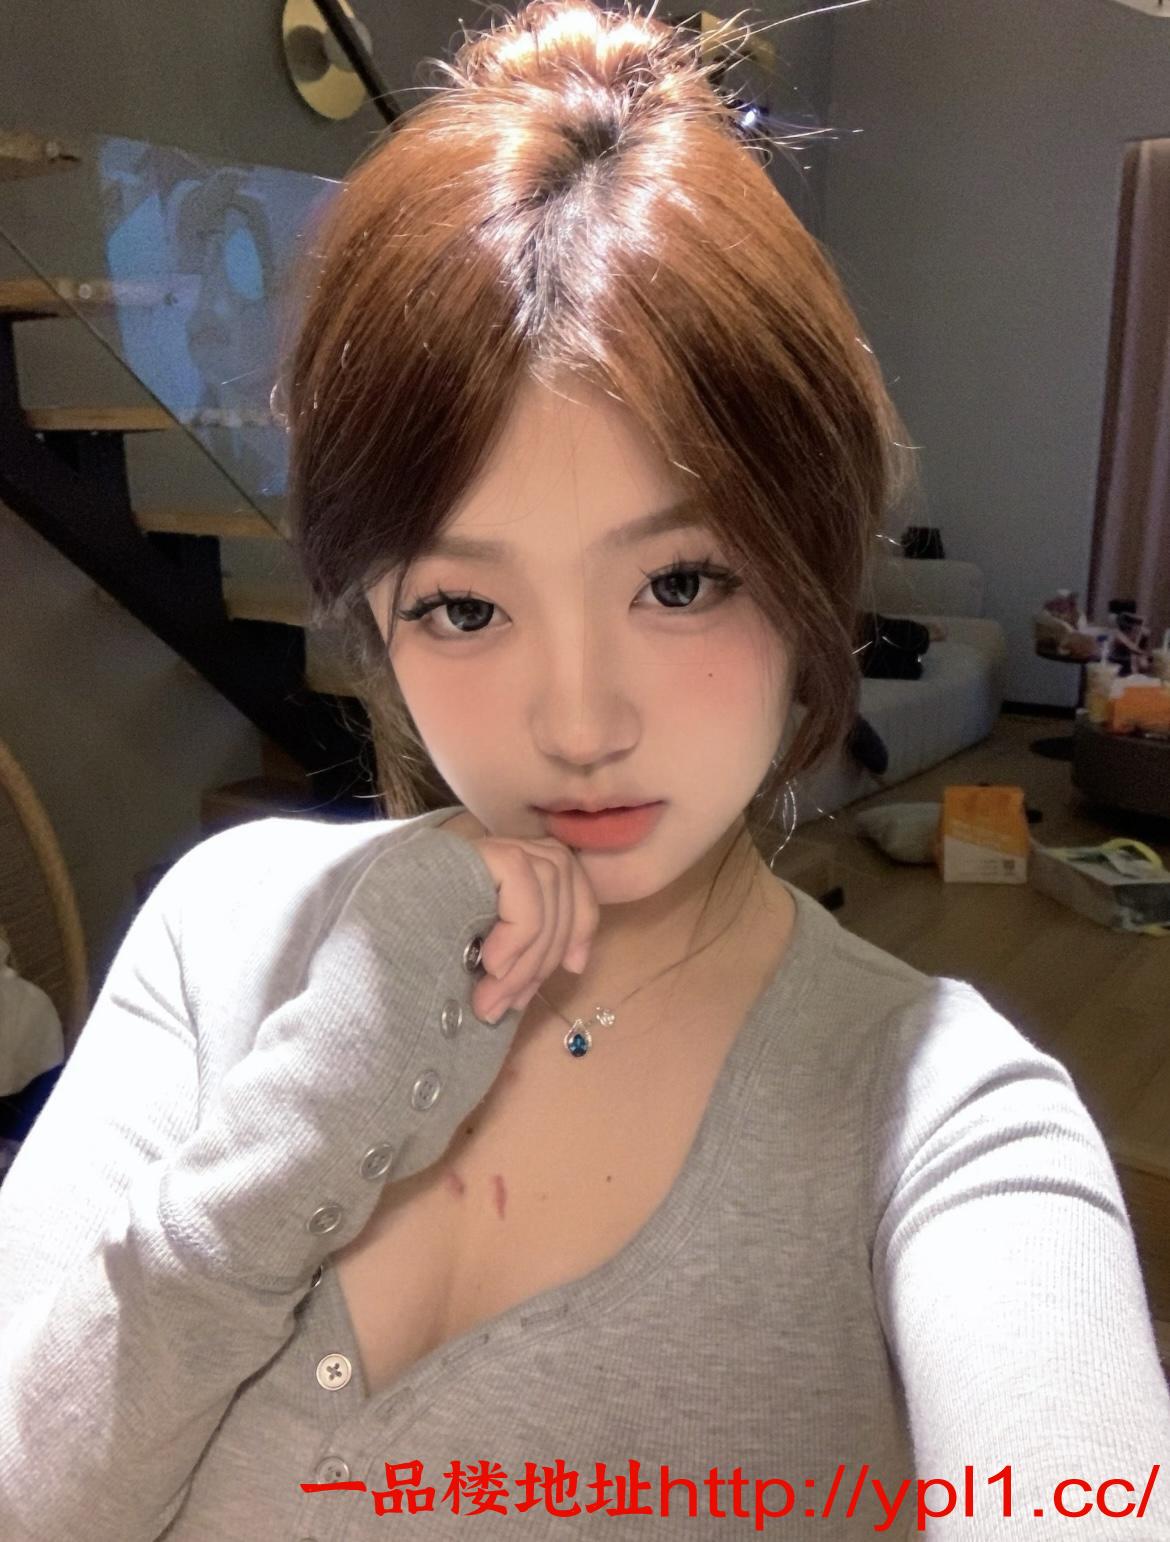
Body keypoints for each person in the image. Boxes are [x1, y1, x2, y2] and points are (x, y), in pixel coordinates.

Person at [2, 4, 1169, 1539]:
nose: (576, 722)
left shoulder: (946, 1122)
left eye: (679, 581)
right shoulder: (224, 928)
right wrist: (344, 1052)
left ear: (809, 563)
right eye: (462, 605)